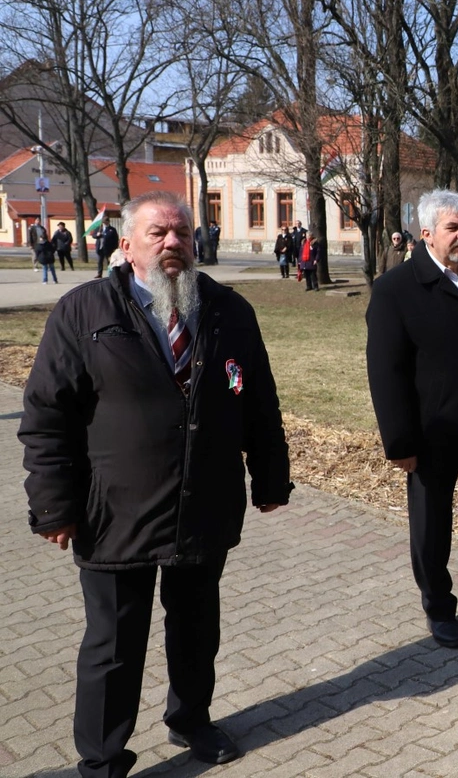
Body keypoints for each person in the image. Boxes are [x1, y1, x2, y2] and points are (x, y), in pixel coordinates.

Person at [19, 190, 291, 777]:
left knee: (196, 629)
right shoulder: (84, 311)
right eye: (158, 233)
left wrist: (272, 476)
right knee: (114, 646)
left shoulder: (227, 311)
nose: (173, 243)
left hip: (204, 504)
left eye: (183, 234)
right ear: (126, 243)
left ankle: (191, 719)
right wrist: (52, 507)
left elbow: (261, 403)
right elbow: (46, 417)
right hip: (115, 513)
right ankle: (102, 757)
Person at [367, 191, 458, 649]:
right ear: (426, 233)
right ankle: (439, 608)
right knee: (432, 527)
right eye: (453, 228)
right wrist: (399, 441)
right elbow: (386, 372)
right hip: (431, 435)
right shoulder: (395, 290)